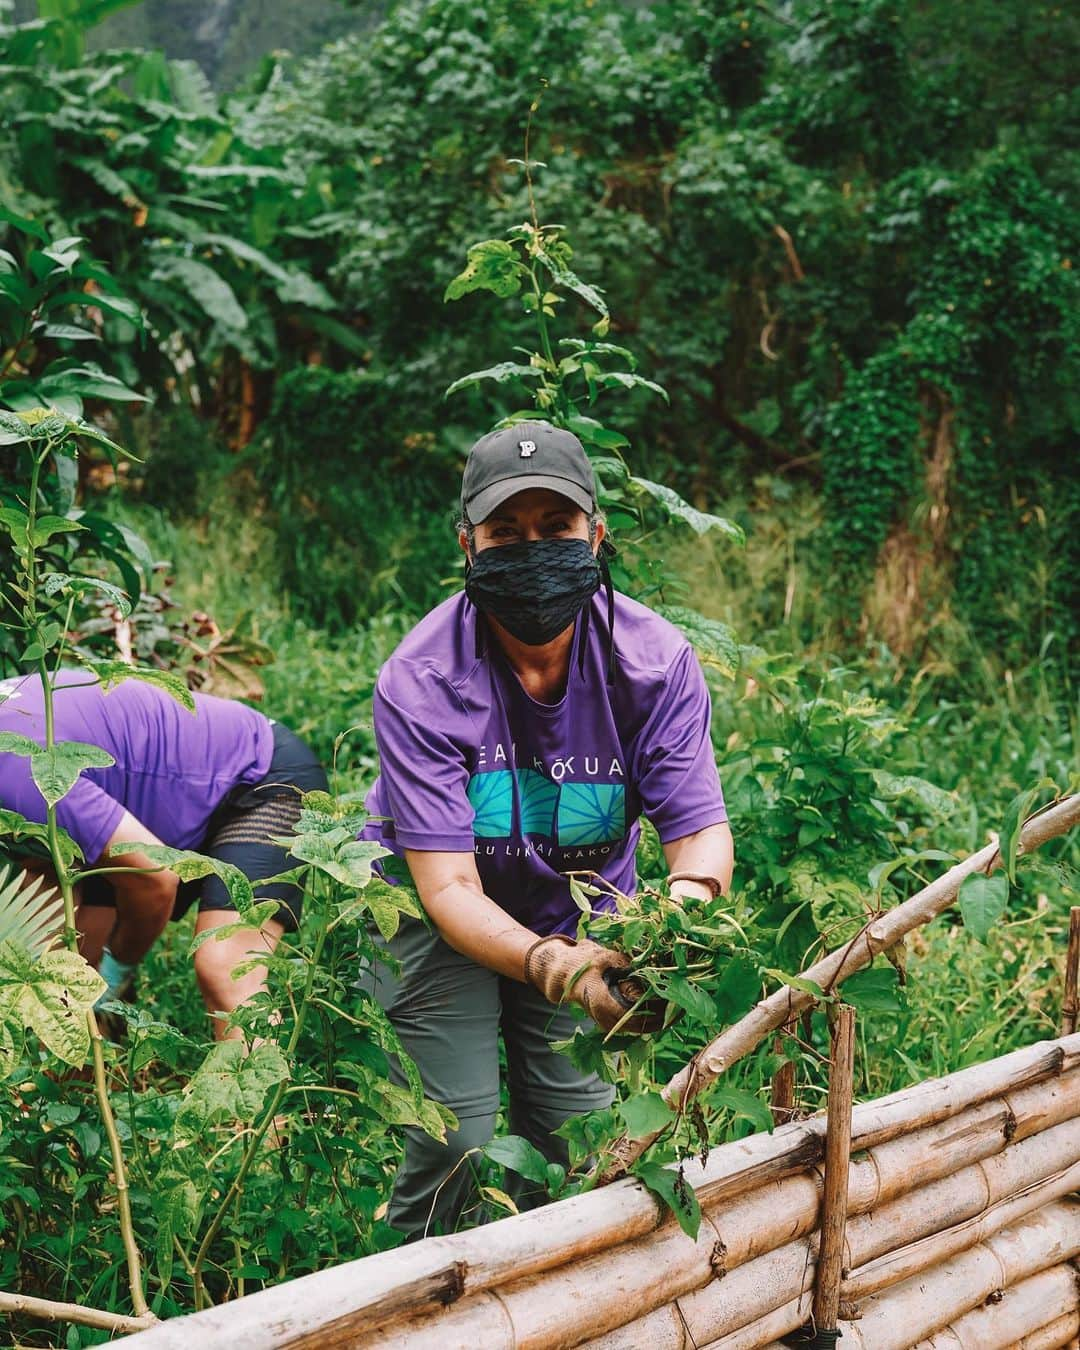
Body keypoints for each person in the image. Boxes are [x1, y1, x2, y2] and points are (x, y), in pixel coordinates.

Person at [361, 419, 733, 1238]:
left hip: (588, 915)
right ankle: (410, 1297)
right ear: (468, 546)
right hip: (433, 916)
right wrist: (552, 968)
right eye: (505, 533)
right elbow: (448, 887)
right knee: (452, 1136)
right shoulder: (421, 678)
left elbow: (700, 837)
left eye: (556, 527)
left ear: (595, 535)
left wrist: (667, 925)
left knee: (578, 1146)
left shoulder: (653, 661)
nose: (531, 549)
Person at [0, 671, 327, 1038]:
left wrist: (118, 968)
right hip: (143, 800)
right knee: (70, 968)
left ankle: (261, 1092)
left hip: (260, 778)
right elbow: (46, 885)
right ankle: (88, 1074)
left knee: (225, 968)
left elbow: (155, 880)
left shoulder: (20, 775)